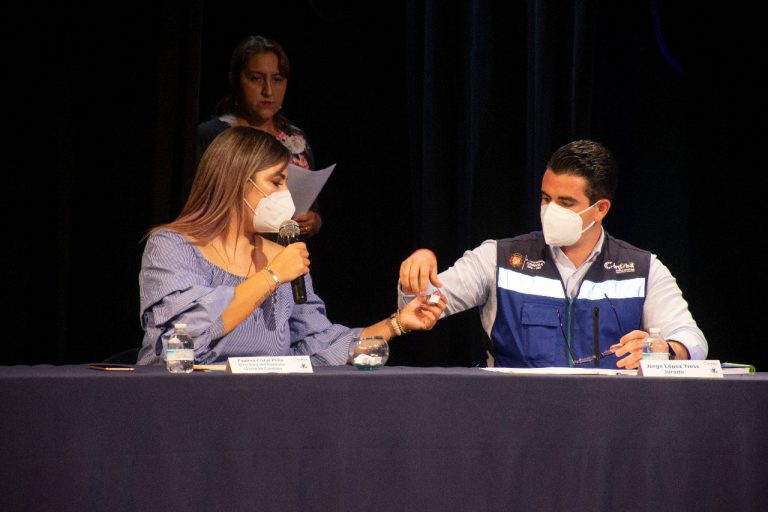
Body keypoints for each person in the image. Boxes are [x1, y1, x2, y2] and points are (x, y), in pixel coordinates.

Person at [137, 127, 445, 366]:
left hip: (261, 408)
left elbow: (318, 346)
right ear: (237, 182)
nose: (286, 194)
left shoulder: (283, 259)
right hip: (178, 403)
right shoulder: (172, 247)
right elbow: (181, 342)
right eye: (276, 182)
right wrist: (270, 276)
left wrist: (397, 323)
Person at [397, 139, 707, 369]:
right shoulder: (498, 258)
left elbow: (693, 340)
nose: (550, 211)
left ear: (600, 209)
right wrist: (418, 271)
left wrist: (664, 348)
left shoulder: (643, 268)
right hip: (512, 421)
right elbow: (417, 305)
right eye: (546, 198)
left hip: (608, 424)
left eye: (566, 203)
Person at [198, 35, 322, 239]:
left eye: (277, 79)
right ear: (235, 80)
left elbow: (311, 211)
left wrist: (313, 221)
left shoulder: (296, 140)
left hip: (286, 257)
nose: (268, 90)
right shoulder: (213, 136)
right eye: (256, 78)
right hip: (230, 254)